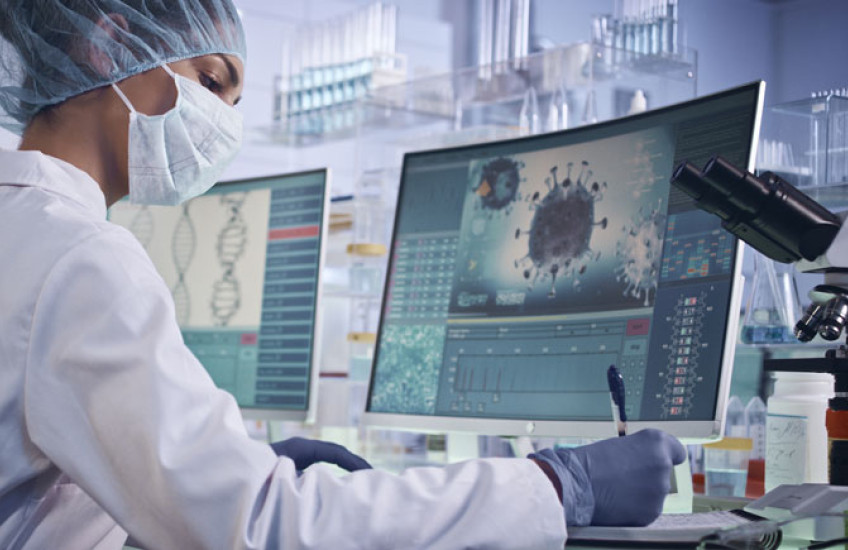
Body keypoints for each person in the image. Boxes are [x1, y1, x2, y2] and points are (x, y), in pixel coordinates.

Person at [0, 1, 686, 548]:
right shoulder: (82, 257)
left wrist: (232, 465)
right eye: (211, 83)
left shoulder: (23, 227)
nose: (220, 126)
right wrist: (557, 486)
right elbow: (262, 529)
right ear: (108, 44)